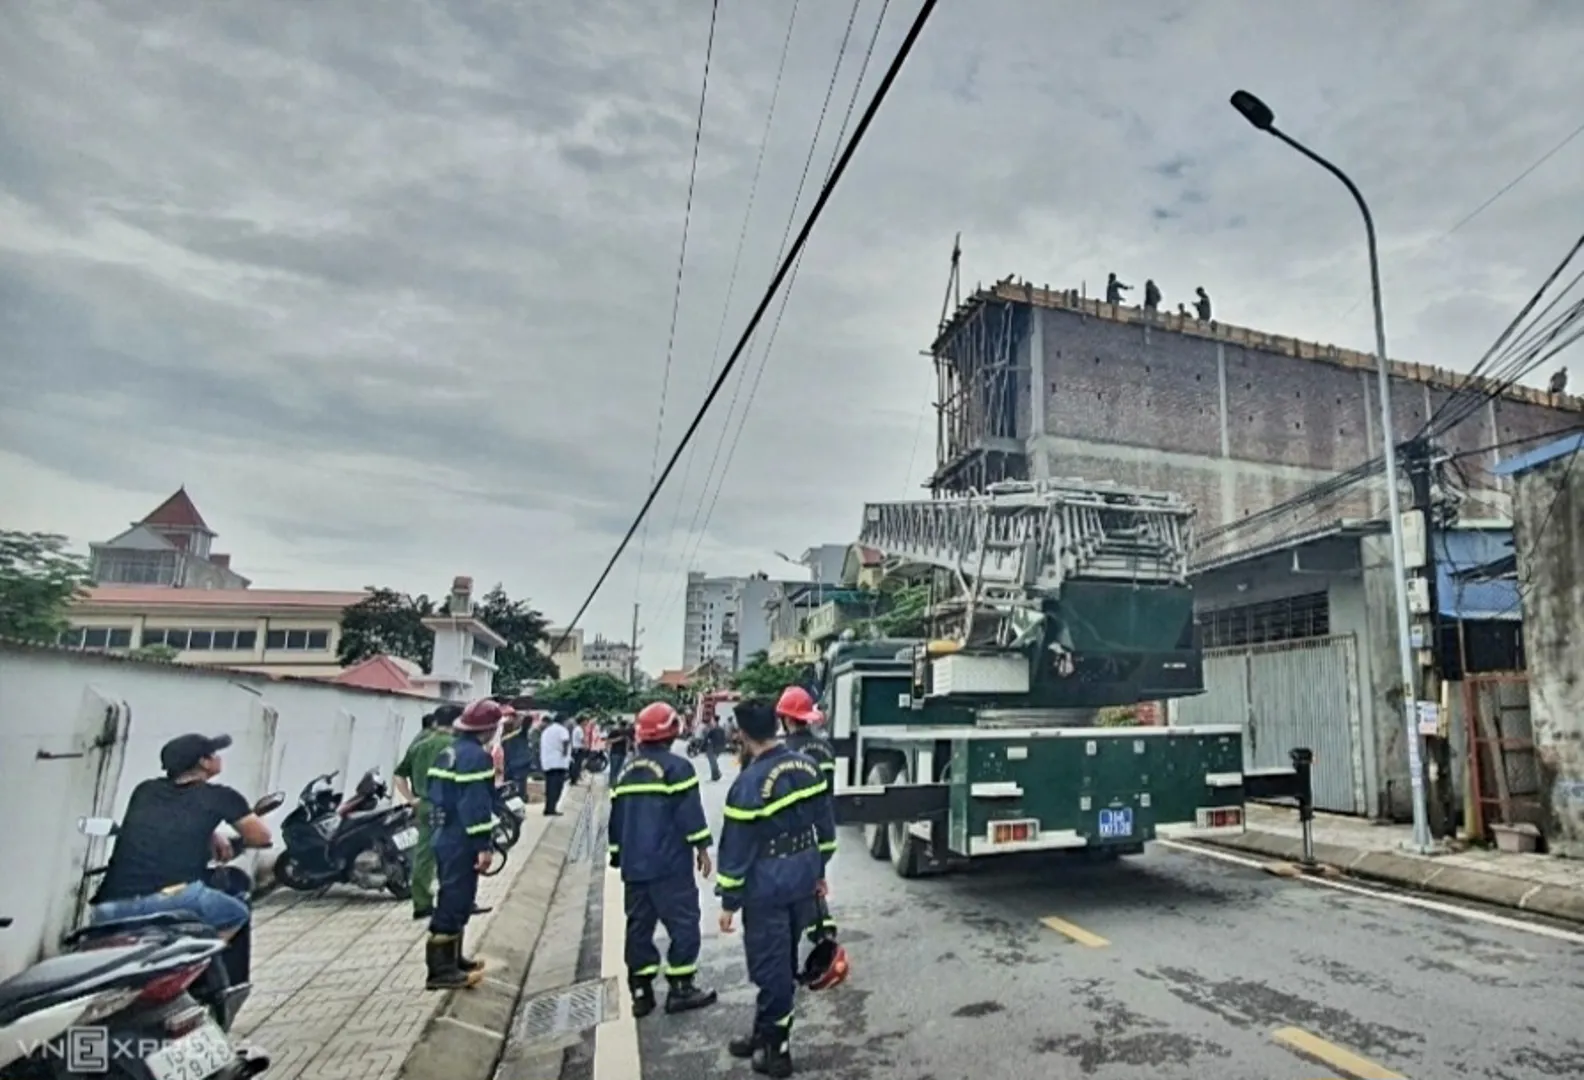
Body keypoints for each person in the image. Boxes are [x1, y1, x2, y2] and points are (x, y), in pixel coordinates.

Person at [90, 733, 275, 987]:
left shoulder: (145, 790)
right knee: (235, 913)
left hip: (109, 907)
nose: (219, 758)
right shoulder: (220, 797)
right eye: (214, 753)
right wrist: (232, 837)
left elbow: (168, 821)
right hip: (172, 898)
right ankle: (192, 977)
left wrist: (210, 833)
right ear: (203, 762)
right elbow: (261, 837)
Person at [716, 699, 837, 1077]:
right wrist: (818, 871)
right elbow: (826, 829)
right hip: (802, 876)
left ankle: (777, 1050)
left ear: (743, 734)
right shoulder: (808, 765)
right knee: (781, 960)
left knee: (772, 967)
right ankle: (764, 1032)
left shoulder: (749, 783)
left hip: (767, 886)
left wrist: (729, 902)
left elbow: (736, 850)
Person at [608, 701, 718, 1018]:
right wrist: (702, 849)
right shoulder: (677, 768)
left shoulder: (626, 770)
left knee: (638, 928)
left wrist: (618, 856)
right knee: (683, 925)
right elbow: (689, 815)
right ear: (672, 731)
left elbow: (616, 820)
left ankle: (641, 993)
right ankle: (681, 988)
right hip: (669, 867)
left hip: (635, 868)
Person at [424, 698, 504, 990]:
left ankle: (455, 960)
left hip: (445, 835)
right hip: (461, 838)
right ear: (490, 728)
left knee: (458, 897)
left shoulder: (450, 752)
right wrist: (483, 845)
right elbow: (475, 805)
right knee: (454, 901)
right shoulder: (476, 758)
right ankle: (441, 970)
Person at [393, 704, 461, 922]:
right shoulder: (455, 746)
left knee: (424, 855)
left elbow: (399, 775)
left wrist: (411, 799)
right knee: (453, 854)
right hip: (448, 806)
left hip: (424, 805)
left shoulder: (420, 746)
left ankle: (421, 903)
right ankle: (452, 899)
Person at [539, 713, 572, 816]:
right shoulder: (562, 730)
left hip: (548, 763)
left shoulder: (547, 730)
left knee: (549, 787)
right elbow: (565, 741)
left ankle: (548, 808)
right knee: (557, 787)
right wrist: (565, 752)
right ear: (563, 721)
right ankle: (552, 809)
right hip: (558, 763)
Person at [606, 717, 632, 784]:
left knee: (619, 769)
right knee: (613, 769)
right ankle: (611, 782)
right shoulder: (614, 732)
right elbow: (608, 741)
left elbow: (628, 742)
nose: (623, 728)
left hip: (622, 753)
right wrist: (618, 739)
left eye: (624, 726)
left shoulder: (627, 732)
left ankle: (615, 782)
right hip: (615, 753)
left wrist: (627, 751)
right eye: (622, 726)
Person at [702, 716, 727, 782]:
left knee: (712, 762)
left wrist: (702, 747)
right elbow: (724, 739)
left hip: (713, 747)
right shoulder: (721, 729)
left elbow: (706, 738)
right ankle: (717, 774)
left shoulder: (712, 729)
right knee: (714, 761)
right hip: (720, 747)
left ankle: (715, 776)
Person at [568, 716, 587, 785]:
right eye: (585, 721)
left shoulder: (577, 728)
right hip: (578, 749)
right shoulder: (579, 729)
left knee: (576, 765)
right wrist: (586, 745)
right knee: (577, 765)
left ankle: (574, 779)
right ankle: (574, 780)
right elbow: (582, 739)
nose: (586, 722)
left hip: (576, 749)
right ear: (582, 721)